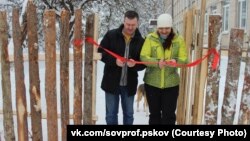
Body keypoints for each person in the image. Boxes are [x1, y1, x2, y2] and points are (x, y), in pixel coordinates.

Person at [98, 10, 145, 125]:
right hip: (111, 82)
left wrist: (135, 65)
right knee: (111, 115)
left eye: (133, 25)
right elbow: (100, 52)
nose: (130, 27)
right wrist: (114, 61)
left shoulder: (141, 41)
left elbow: (144, 63)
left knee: (129, 115)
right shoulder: (111, 35)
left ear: (137, 23)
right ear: (123, 21)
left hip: (129, 84)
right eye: (128, 24)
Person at [140, 13, 188, 125]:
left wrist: (176, 61)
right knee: (154, 115)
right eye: (161, 28)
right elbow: (143, 57)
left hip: (171, 84)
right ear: (157, 28)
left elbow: (184, 59)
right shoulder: (150, 38)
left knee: (169, 115)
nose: (164, 31)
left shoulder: (178, 40)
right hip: (152, 83)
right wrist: (157, 63)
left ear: (171, 27)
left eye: (167, 28)